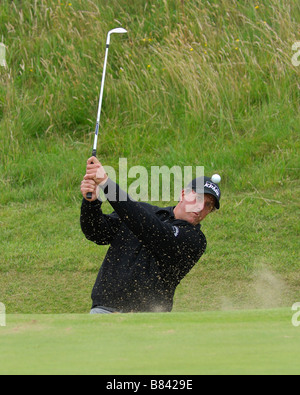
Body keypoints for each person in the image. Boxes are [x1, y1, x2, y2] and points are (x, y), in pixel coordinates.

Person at [80, 157, 221, 314]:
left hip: (149, 319)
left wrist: (107, 184)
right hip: (104, 310)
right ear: (183, 194)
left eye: (208, 205)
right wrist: (91, 203)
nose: (200, 206)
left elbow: (152, 230)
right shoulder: (141, 211)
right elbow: (96, 232)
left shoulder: (194, 240)